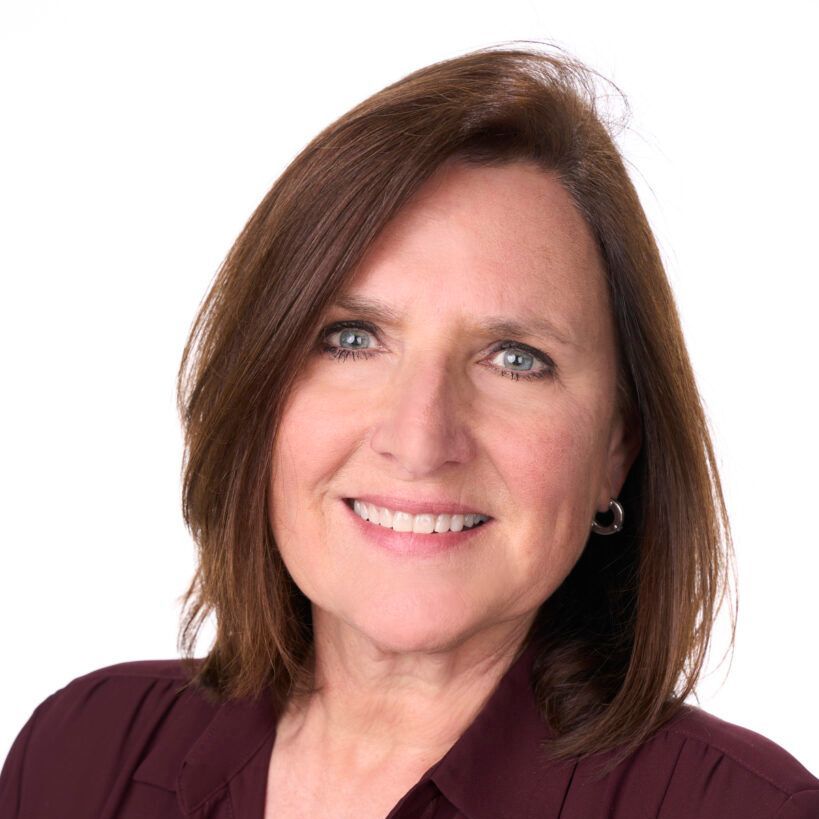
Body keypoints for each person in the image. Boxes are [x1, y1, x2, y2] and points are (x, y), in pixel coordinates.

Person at [1, 43, 817, 819]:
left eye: (514, 358)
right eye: (352, 338)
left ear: (617, 448)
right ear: (259, 391)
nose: (420, 438)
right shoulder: (82, 756)